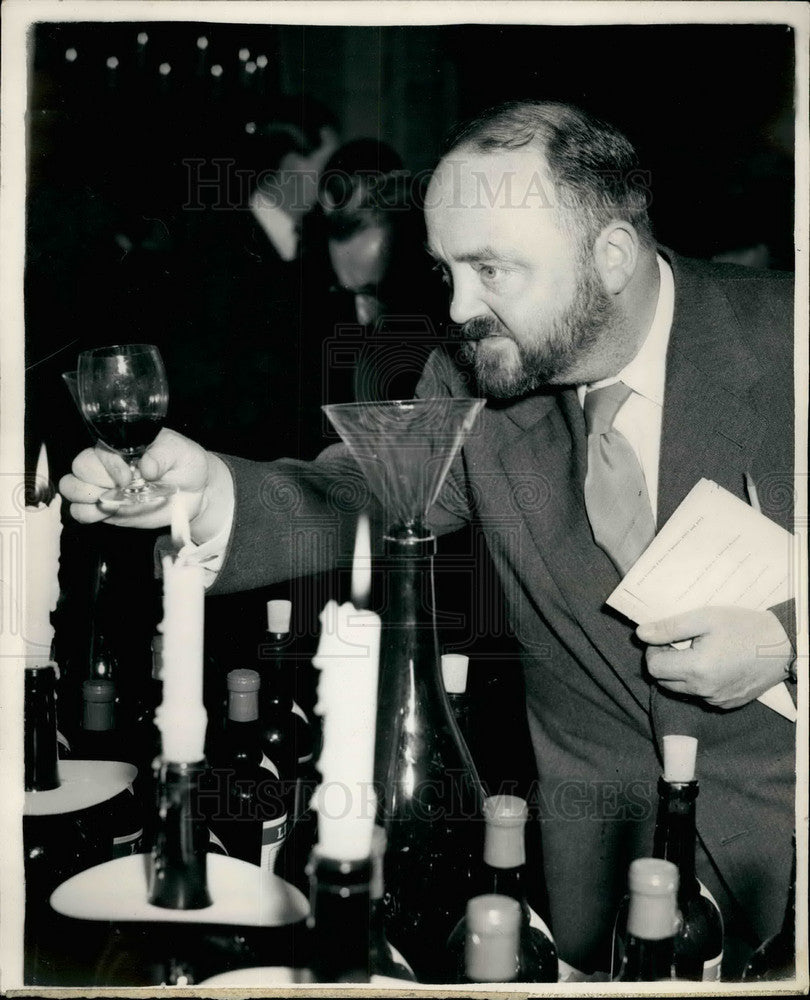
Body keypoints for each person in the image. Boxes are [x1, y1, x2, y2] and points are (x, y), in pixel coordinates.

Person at [61, 100, 797, 977]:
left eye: (490, 269)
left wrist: (790, 639)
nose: (458, 307)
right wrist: (213, 491)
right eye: (446, 268)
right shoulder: (478, 371)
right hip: (596, 877)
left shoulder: (787, 338)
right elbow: (363, 490)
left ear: (611, 257)